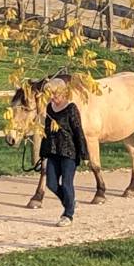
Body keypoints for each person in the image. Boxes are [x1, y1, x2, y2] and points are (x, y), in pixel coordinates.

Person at [40, 84, 89, 227]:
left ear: (63, 94)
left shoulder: (71, 109)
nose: (53, 98)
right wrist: (43, 151)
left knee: (67, 184)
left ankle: (68, 214)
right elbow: (47, 131)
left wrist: (84, 154)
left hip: (69, 152)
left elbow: (78, 131)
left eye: (55, 95)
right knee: (51, 184)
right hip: (53, 152)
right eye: (51, 95)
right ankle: (70, 202)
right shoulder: (49, 108)